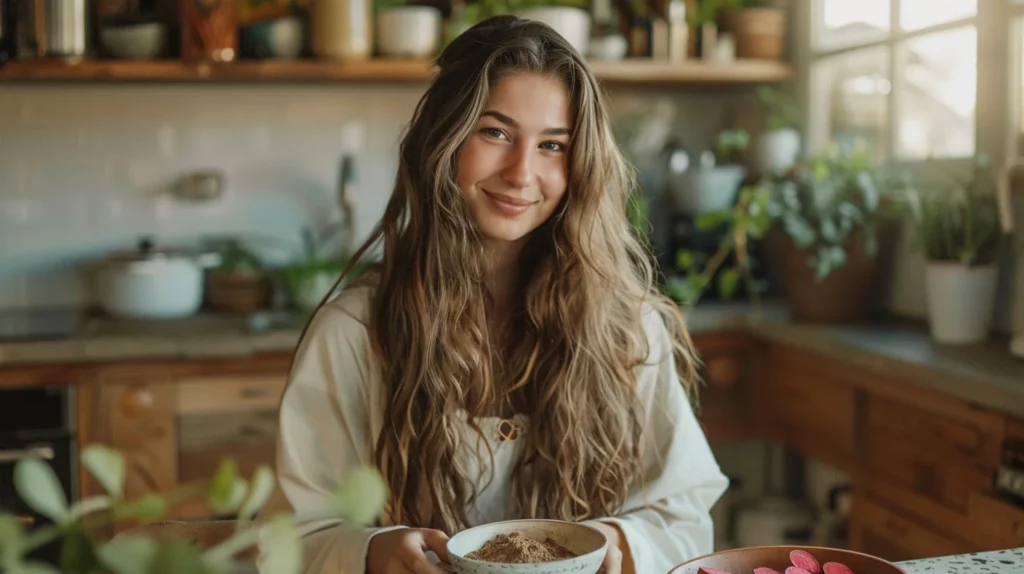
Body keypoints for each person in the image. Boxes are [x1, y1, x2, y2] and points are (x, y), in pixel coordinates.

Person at [270, 14, 728, 574]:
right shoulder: (354, 332)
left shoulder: (626, 327)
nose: (521, 172)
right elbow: (294, 534)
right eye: (496, 133)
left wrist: (619, 543)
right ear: (443, 138)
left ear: (580, 165)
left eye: (553, 145)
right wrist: (369, 552)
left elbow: (685, 515)